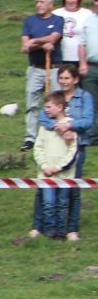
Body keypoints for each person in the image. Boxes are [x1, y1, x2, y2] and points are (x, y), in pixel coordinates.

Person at [49, 65, 91, 242]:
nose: (63, 82)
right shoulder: (55, 95)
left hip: (77, 147)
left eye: (67, 78)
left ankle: (72, 228)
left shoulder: (85, 96)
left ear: (75, 79)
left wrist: (70, 125)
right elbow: (44, 116)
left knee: (73, 188)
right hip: (55, 147)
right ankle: (46, 227)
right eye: (61, 78)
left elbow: (88, 120)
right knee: (49, 187)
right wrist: (60, 129)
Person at [20, 0, 65, 150]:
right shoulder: (30, 21)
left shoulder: (58, 20)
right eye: (37, 1)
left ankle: (54, 131)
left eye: (42, 2)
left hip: (53, 69)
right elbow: (24, 47)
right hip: (35, 69)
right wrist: (41, 44)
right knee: (32, 103)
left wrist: (34, 42)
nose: (38, 4)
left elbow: (54, 38)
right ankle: (30, 137)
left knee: (55, 102)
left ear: (51, 4)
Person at [32, 93, 74, 240]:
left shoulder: (71, 125)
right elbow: (38, 148)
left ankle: (61, 233)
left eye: (49, 107)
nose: (46, 110)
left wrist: (58, 167)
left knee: (62, 204)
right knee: (48, 204)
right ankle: (50, 233)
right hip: (46, 175)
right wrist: (44, 166)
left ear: (60, 107)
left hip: (65, 176)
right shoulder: (44, 127)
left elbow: (73, 151)